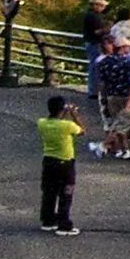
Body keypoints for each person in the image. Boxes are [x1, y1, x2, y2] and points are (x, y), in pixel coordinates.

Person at [38, 95, 83, 235]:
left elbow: (54, 120)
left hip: (49, 161)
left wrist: (63, 111)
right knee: (66, 193)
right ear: (62, 110)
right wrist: (74, 114)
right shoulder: (68, 126)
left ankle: (48, 220)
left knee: (49, 192)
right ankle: (64, 225)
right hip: (65, 163)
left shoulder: (41, 123)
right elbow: (82, 130)